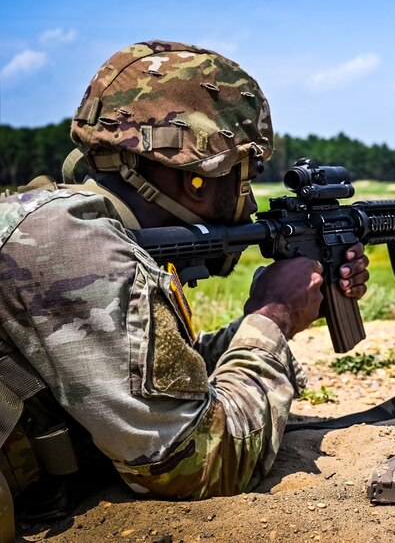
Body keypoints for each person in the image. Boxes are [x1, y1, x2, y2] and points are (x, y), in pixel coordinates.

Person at [0, 39, 370, 520]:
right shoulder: (72, 245)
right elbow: (194, 463)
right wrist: (272, 318)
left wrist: (277, 314)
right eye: (245, 172)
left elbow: (143, 377)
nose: (251, 196)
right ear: (195, 179)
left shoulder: (61, 224)